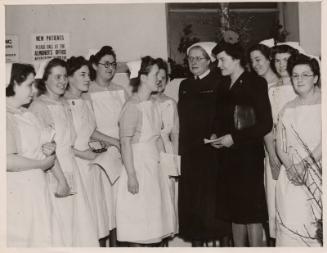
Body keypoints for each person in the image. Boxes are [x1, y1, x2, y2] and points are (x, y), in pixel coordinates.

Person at [29, 58, 98, 246]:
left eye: (64, 76)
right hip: (54, 172)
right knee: (61, 228)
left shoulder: (65, 104)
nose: (63, 81)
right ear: (45, 80)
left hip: (72, 168)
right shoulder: (38, 107)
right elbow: (45, 149)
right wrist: (61, 180)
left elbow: (71, 141)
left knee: (78, 229)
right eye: (57, 77)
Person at [211, 41, 272, 246]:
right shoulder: (221, 86)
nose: (218, 65)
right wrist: (215, 136)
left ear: (236, 58)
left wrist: (234, 138)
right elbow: (220, 120)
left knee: (251, 213)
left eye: (222, 60)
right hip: (228, 158)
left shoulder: (255, 83)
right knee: (234, 210)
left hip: (248, 157)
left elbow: (265, 124)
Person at [116, 56, 175, 246]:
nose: (159, 78)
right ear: (143, 77)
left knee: (154, 223)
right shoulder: (132, 107)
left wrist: (169, 169)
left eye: (161, 74)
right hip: (138, 167)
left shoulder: (152, 104)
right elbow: (125, 143)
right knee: (139, 223)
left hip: (154, 167)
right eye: (155, 74)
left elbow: (157, 139)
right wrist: (132, 175)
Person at [178, 41, 231, 247]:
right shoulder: (185, 85)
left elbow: (224, 115)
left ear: (210, 61)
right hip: (191, 153)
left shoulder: (219, 82)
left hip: (213, 153)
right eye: (191, 58)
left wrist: (216, 134)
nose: (194, 62)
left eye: (199, 58)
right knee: (193, 205)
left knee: (215, 205)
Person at [6, 63, 58, 246]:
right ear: (12, 84)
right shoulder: (5, 116)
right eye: (29, 85)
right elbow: (8, 161)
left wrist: (49, 147)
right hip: (18, 190)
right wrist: (42, 164)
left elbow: (43, 140)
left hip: (37, 188)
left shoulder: (26, 113)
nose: (33, 89)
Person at [64, 56, 112, 244]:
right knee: (81, 224)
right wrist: (91, 156)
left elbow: (91, 131)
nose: (87, 79)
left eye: (88, 75)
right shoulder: (64, 103)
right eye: (82, 74)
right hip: (77, 164)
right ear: (69, 77)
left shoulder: (86, 99)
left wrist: (114, 142)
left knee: (95, 220)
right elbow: (68, 145)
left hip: (91, 166)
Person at [275, 54, 321, 246]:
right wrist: (290, 166)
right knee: (291, 230)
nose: (299, 80)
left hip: (317, 168)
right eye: (295, 76)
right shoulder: (287, 107)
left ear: (316, 78)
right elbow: (280, 144)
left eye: (305, 75)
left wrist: (305, 164)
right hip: (292, 174)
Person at [86, 46, 128, 246]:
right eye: (105, 64)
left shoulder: (120, 90)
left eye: (113, 64)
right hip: (101, 153)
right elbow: (89, 129)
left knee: (120, 206)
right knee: (104, 207)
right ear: (95, 65)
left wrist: (124, 144)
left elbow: (128, 121)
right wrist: (114, 143)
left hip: (121, 152)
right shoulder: (87, 92)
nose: (110, 68)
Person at [248, 41, 279, 245]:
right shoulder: (254, 87)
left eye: (258, 59)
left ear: (269, 59)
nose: (255, 64)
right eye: (251, 61)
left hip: (280, 150)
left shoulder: (282, 86)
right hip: (263, 153)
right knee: (267, 205)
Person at [151, 58, 180, 236]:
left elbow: (175, 133)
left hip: (167, 153)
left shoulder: (171, 103)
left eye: (164, 78)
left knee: (168, 200)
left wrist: (175, 160)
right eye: (156, 77)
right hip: (150, 154)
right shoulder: (142, 102)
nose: (160, 81)